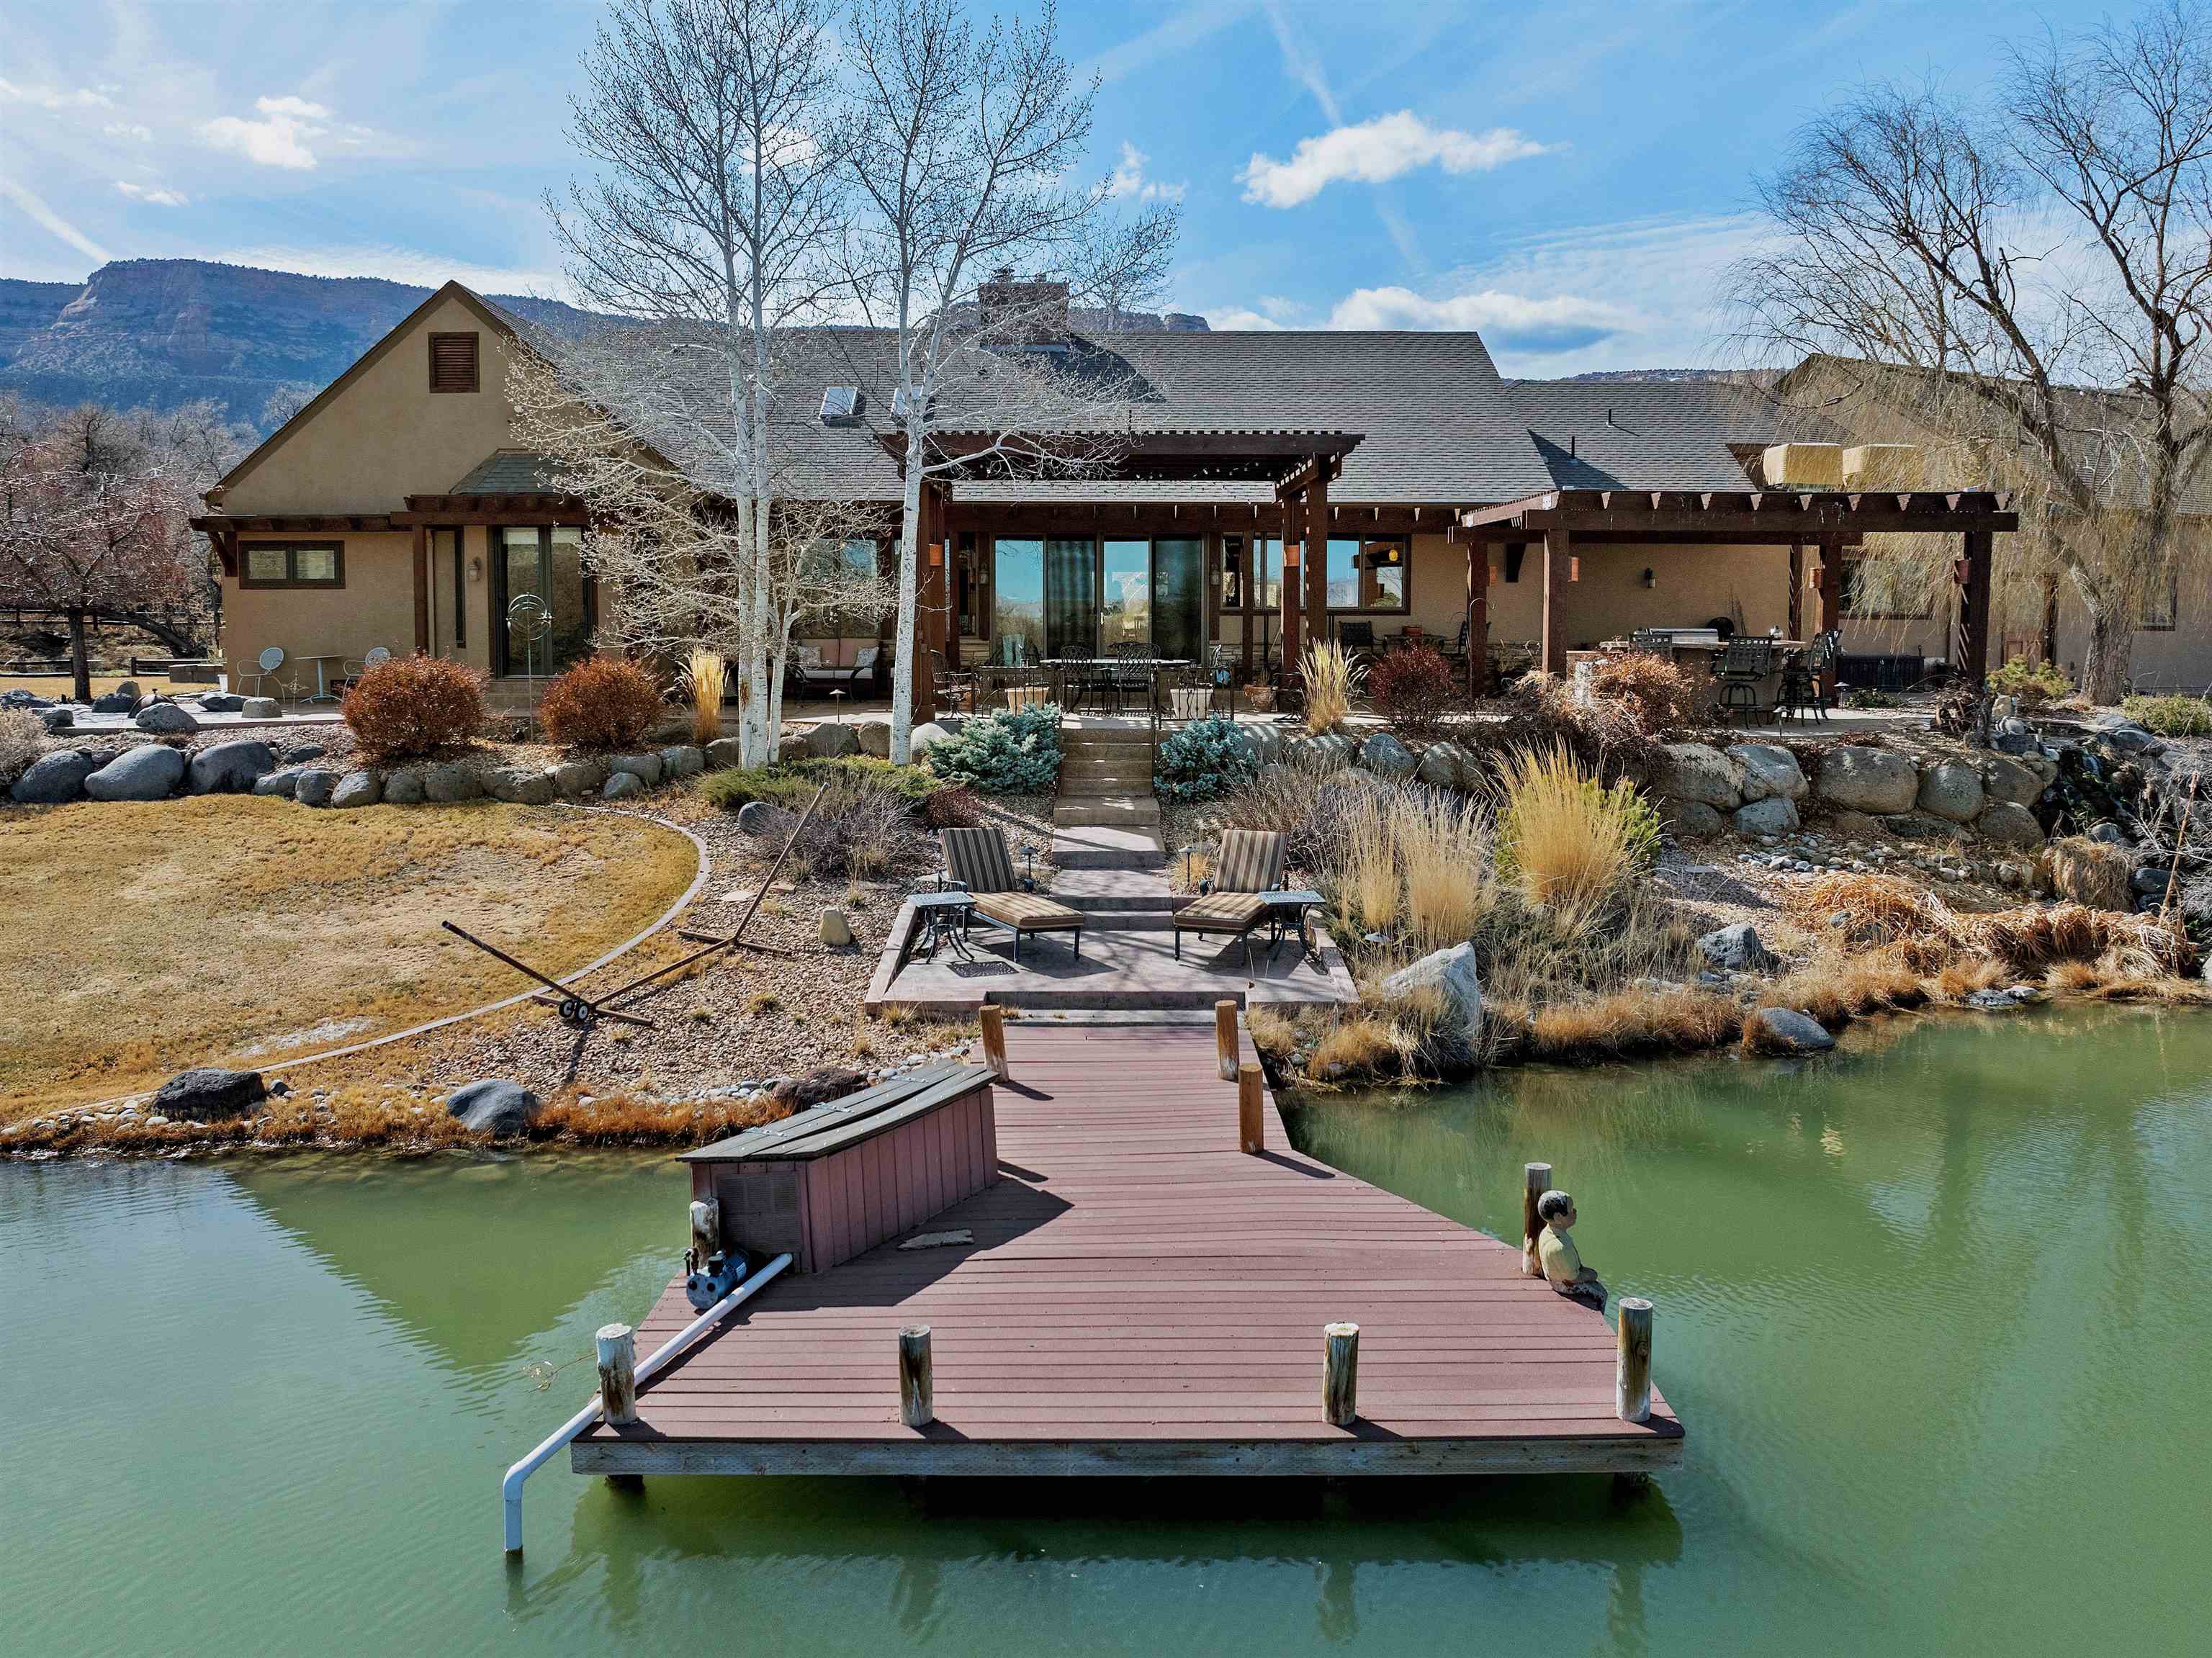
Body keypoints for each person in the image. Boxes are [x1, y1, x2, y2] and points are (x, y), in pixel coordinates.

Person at [1534, 1189, 1606, 1312]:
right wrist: (1591, 1275)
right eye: (1571, 1210)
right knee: (1602, 1294)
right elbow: (1572, 1278)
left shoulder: (1547, 1232)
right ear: (1558, 1217)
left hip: (1559, 1277)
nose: (1575, 1211)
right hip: (1565, 1285)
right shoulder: (1559, 1247)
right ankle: (1598, 1314)